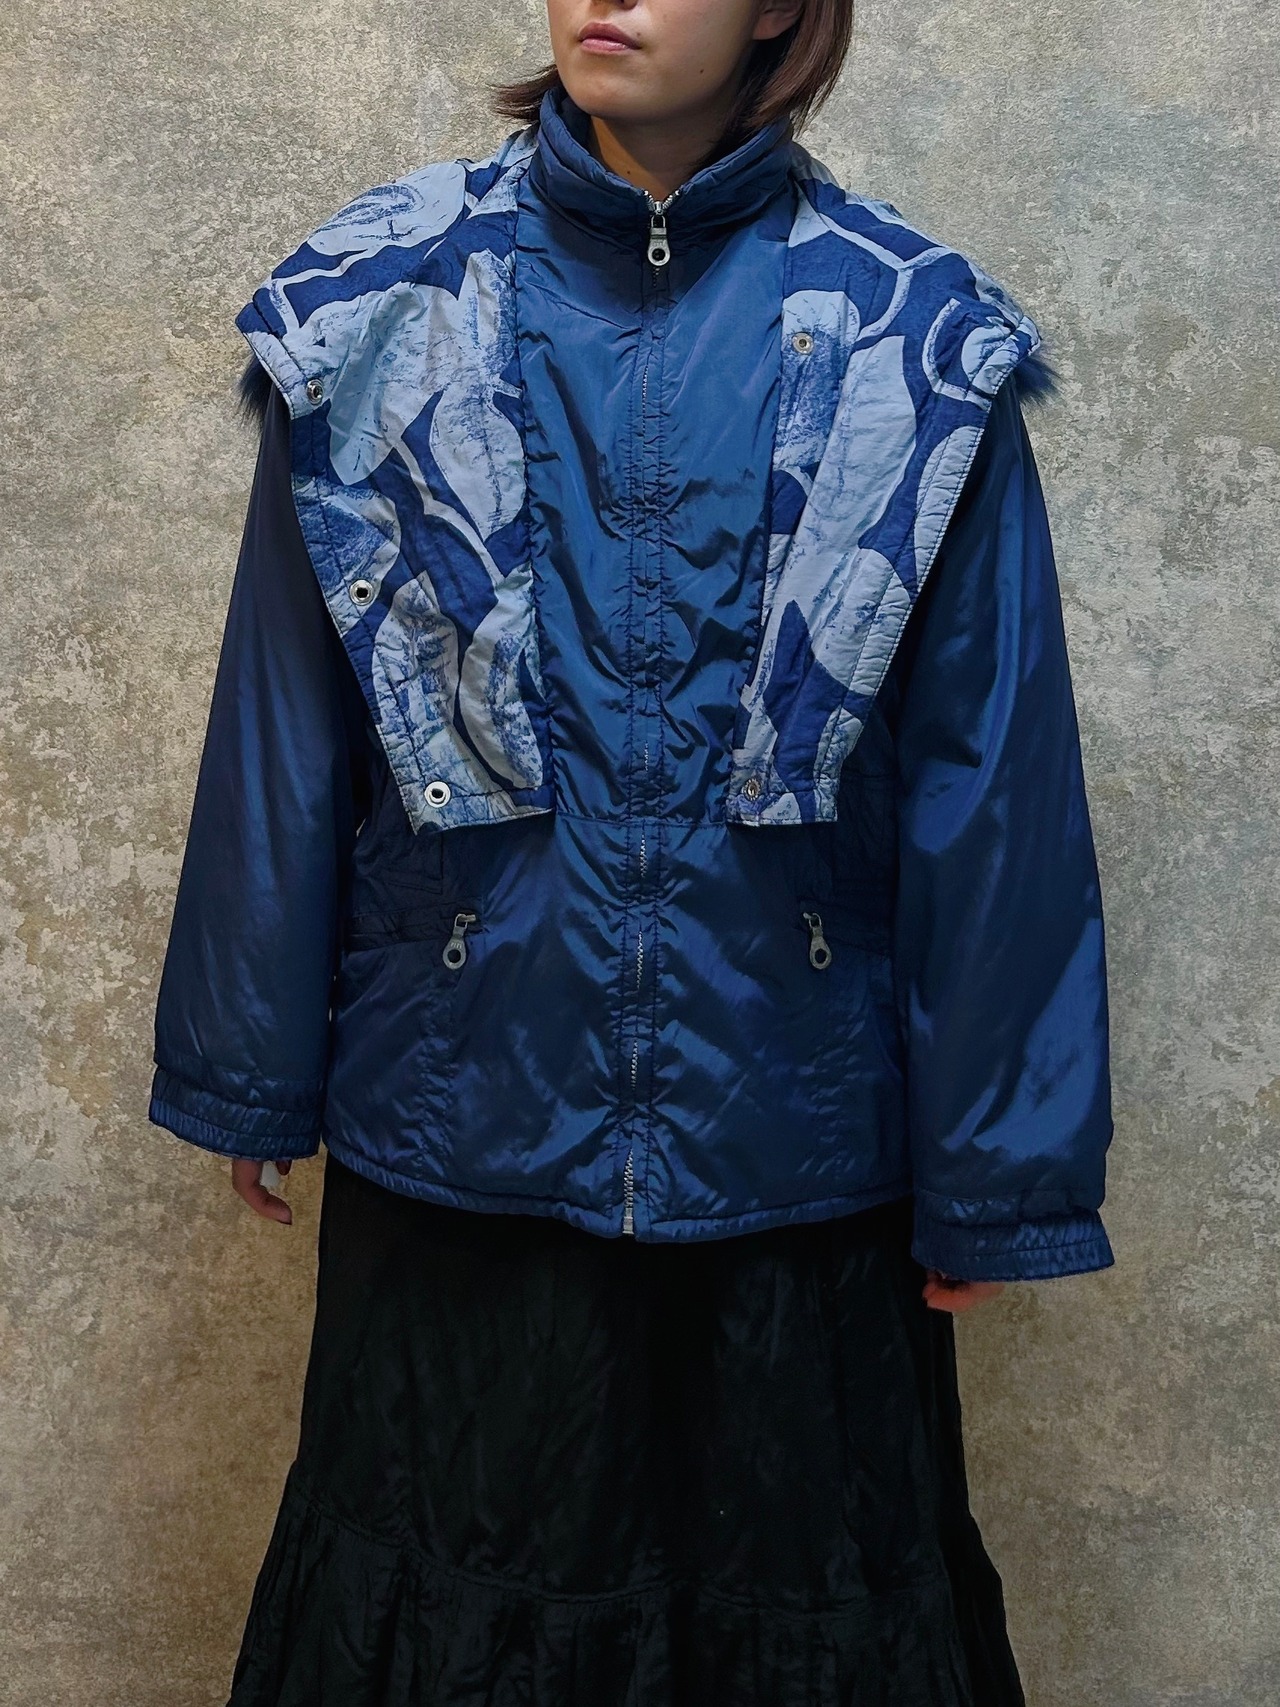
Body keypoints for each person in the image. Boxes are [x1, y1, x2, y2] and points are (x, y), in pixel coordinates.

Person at [147, 1, 1117, 1700]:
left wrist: (1001, 1172)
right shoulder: (383, 305)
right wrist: (250, 1064)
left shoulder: (912, 339)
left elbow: (991, 778)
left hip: (796, 1145)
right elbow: (287, 713)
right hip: (461, 1119)